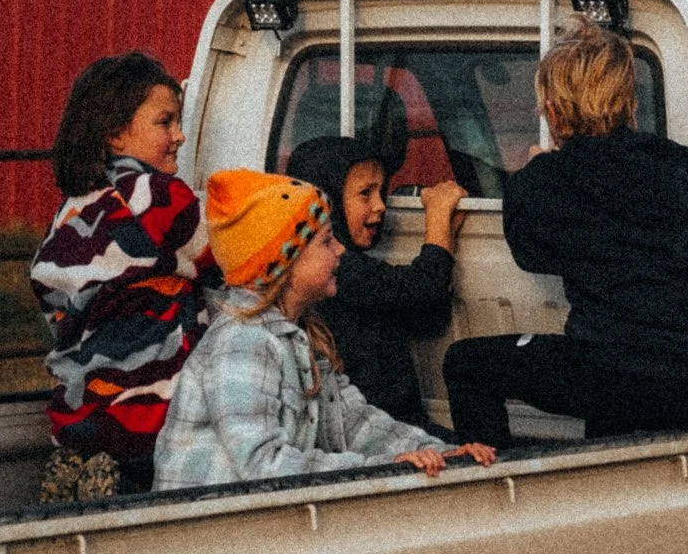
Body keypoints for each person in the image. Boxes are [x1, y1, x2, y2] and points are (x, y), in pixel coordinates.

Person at [441, 24, 688, 447]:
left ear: (552, 111)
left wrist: (535, 172)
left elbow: (531, 253)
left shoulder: (548, 180)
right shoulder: (683, 166)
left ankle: (493, 496)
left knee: (466, 364)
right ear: (632, 103)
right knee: (614, 380)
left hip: (620, 374)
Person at [155, 170, 498, 490]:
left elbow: (355, 424)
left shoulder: (301, 334)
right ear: (285, 261)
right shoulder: (242, 342)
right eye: (327, 241)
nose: (341, 250)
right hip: (208, 534)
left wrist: (438, 452)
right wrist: (383, 466)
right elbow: (263, 464)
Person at [31, 51, 217, 495]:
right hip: (151, 408)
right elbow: (227, 256)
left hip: (82, 404)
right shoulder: (155, 194)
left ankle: (85, 466)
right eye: (165, 122)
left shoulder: (72, 207)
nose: (180, 135)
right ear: (115, 133)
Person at [285, 133, 468, 432]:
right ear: (326, 200)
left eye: (382, 192)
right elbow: (422, 289)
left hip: (394, 422)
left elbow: (428, 318)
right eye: (365, 193)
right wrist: (436, 217)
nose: (381, 205)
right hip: (371, 428)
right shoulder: (335, 270)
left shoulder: (352, 265)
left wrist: (444, 237)